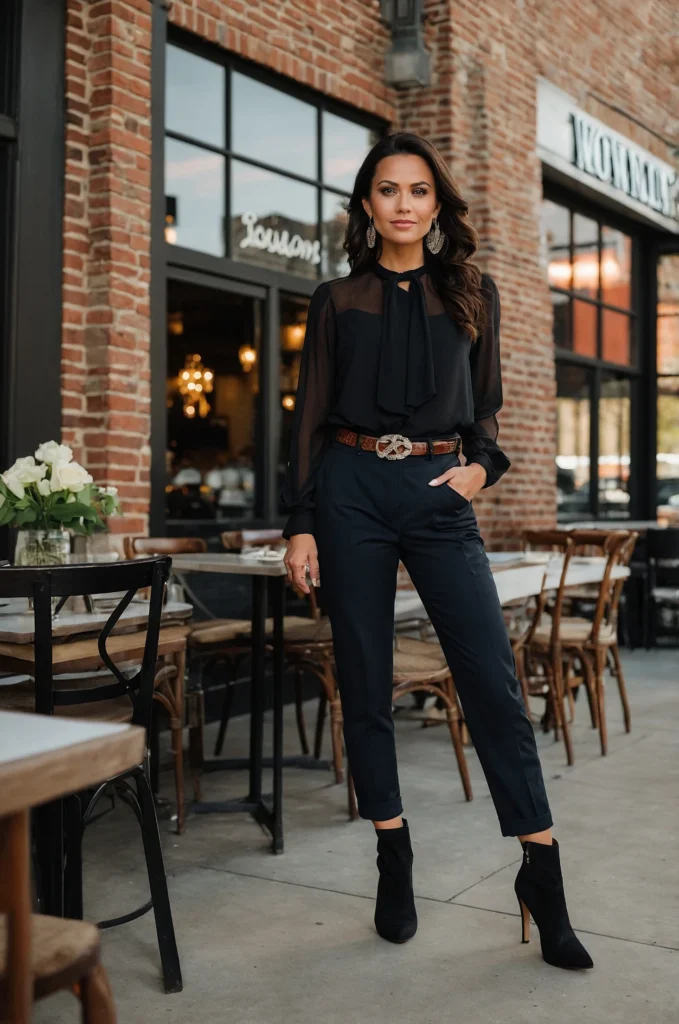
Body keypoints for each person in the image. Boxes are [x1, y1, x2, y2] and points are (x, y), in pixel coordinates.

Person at [280, 132, 592, 971]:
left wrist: (474, 476)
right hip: (348, 487)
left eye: (418, 191)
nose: (404, 205)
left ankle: (541, 873)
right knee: (366, 675)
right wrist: (301, 520)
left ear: (436, 203)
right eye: (387, 190)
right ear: (367, 206)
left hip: (436, 492)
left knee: (490, 678)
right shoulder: (336, 300)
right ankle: (392, 854)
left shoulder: (473, 294)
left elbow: (485, 420)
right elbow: (307, 418)